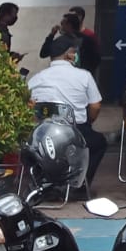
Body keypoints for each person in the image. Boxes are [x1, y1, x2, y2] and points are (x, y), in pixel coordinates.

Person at [26, 34, 106, 194]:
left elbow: (28, 105)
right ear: (69, 54)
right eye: (74, 52)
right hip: (75, 132)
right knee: (98, 143)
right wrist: (88, 122)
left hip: (43, 134)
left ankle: (44, 186)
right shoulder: (84, 76)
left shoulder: (36, 79)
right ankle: (79, 186)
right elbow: (95, 106)